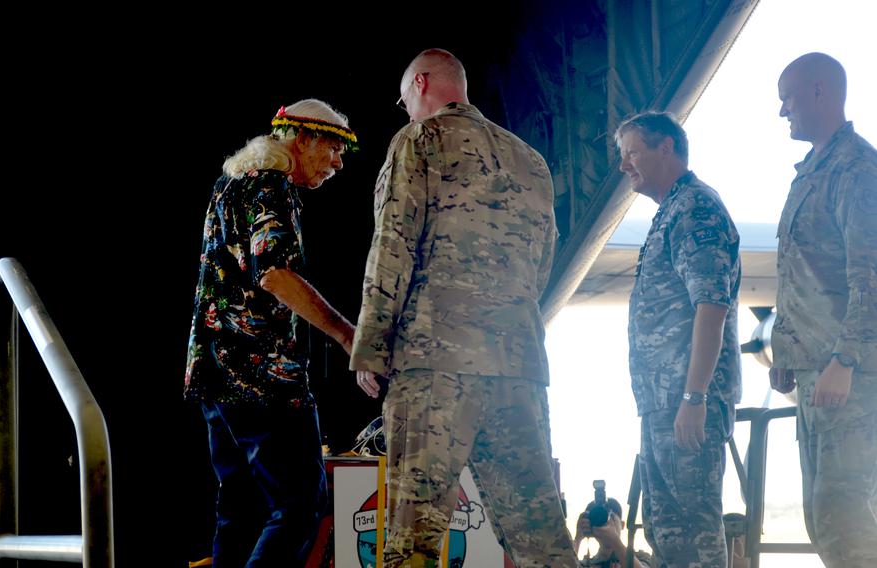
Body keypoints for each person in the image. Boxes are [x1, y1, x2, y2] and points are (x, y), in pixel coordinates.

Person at [350, 48, 576, 568]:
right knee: (540, 536)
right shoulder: (529, 159)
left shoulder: (418, 140)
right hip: (516, 365)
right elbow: (543, 260)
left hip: (435, 369)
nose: (405, 108)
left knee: (414, 537)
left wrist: (372, 344)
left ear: (422, 83)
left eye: (405, 97)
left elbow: (392, 245)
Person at [183, 99, 358, 567]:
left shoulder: (232, 183)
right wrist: (345, 333)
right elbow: (274, 274)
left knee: (240, 510)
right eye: (333, 149)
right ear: (302, 140)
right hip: (261, 379)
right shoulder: (270, 186)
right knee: (301, 506)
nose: (339, 163)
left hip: (216, 376)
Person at [616, 111, 742, 567]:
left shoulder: (696, 209)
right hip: (661, 403)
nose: (623, 165)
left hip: (686, 403)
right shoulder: (670, 212)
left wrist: (695, 396)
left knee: (695, 530)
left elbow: (712, 306)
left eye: (631, 152)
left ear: (665, 147)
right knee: (667, 533)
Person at [769, 52, 877, 567]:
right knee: (823, 522)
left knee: (846, 521)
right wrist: (786, 353)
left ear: (819, 92)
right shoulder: (813, 171)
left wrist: (846, 360)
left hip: (849, 382)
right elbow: (806, 272)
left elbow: (870, 278)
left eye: (787, 98)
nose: (782, 111)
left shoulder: (857, 171)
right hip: (816, 379)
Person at [572, 498, 654, 568]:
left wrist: (615, 541)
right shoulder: (586, 564)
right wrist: (578, 538)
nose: (606, 525)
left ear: (622, 525)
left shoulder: (641, 557)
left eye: (611, 518)